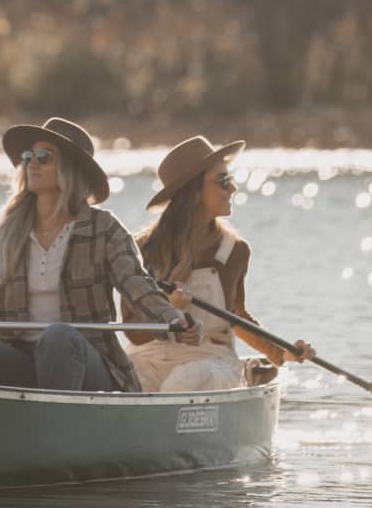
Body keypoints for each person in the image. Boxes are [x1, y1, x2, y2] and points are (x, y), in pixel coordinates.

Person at [0, 117, 198, 391]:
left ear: (71, 169)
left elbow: (139, 288)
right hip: (21, 365)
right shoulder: (1, 236)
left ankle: (56, 426)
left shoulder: (104, 229)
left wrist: (173, 319)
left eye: (44, 157)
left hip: (88, 364)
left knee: (59, 336)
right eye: (28, 156)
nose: (32, 164)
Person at [123, 136, 316, 392]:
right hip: (148, 357)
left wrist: (282, 352)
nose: (233, 188)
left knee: (183, 383)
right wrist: (167, 312)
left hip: (209, 359)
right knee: (125, 384)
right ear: (193, 191)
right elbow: (132, 331)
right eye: (224, 181)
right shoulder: (140, 249)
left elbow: (236, 316)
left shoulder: (234, 251)